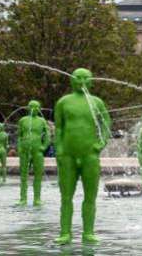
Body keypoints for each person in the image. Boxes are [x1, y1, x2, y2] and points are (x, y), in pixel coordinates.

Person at [54, 68, 111, 245]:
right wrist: (59, 149)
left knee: (90, 197)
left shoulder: (97, 102)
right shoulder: (63, 102)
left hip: (90, 155)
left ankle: (88, 232)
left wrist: (101, 143)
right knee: (65, 197)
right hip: (68, 155)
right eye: (78, 78)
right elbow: (58, 128)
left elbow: (106, 123)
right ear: (71, 80)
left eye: (86, 78)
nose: (82, 81)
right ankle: (65, 232)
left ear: (92, 81)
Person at [17, 100, 51, 206]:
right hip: (24, 150)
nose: (34, 109)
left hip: (37, 150)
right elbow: (19, 135)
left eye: (37, 107)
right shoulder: (23, 120)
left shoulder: (42, 121)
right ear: (28, 108)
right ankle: (23, 198)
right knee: (23, 175)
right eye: (32, 106)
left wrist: (43, 147)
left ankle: (37, 198)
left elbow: (48, 135)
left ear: (40, 109)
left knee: (38, 175)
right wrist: (19, 147)